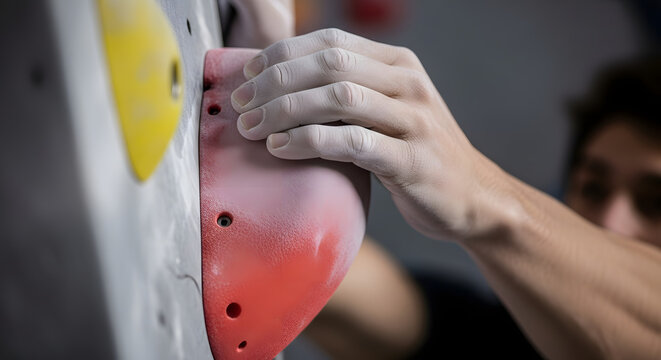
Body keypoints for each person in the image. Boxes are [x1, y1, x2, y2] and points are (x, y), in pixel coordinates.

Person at [227, 28, 661, 359]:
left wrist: (482, 197)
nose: (610, 221)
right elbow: (397, 311)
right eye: (592, 187)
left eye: (655, 203)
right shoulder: (503, 333)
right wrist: (254, 157)